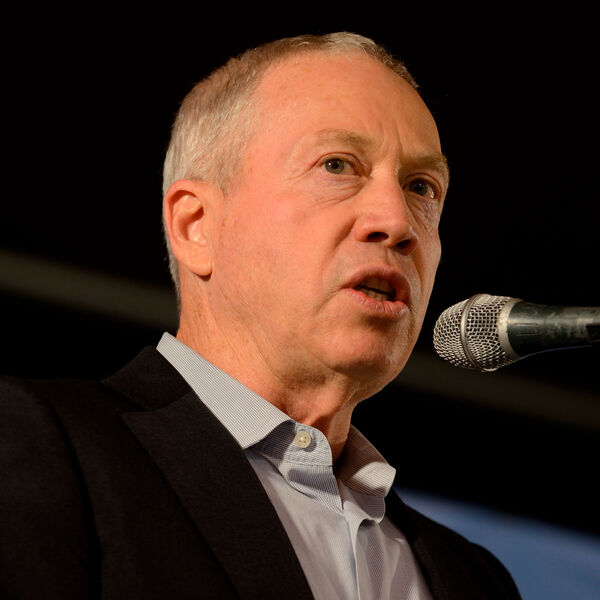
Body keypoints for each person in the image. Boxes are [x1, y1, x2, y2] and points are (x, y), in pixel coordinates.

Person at [0, 33, 521, 599]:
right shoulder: (38, 445)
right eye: (337, 165)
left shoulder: (477, 582)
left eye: (421, 187)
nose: (396, 222)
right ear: (196, 227)